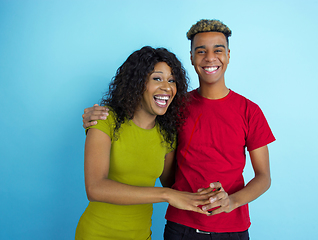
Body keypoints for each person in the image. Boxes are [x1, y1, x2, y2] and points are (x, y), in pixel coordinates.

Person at [82, 20, 275, 240]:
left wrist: (231, 201)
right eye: (201, 51)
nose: (210, 57)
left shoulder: (249, 111)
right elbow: (142, 131)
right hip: (180, 228)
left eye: (218, 50)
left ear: (229, 55)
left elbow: (264, 177)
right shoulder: (175, 108)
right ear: (191, 57)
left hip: (231, 228)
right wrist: (92, 119)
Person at [76, 46, 215, 240]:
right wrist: (165, 195)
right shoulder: (105, 119)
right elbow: (95, 188)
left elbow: (174, 185)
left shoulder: (167, 135)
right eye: (157, 78)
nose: (167, 87)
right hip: (97, 234)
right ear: (138, 83)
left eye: (172, 80)